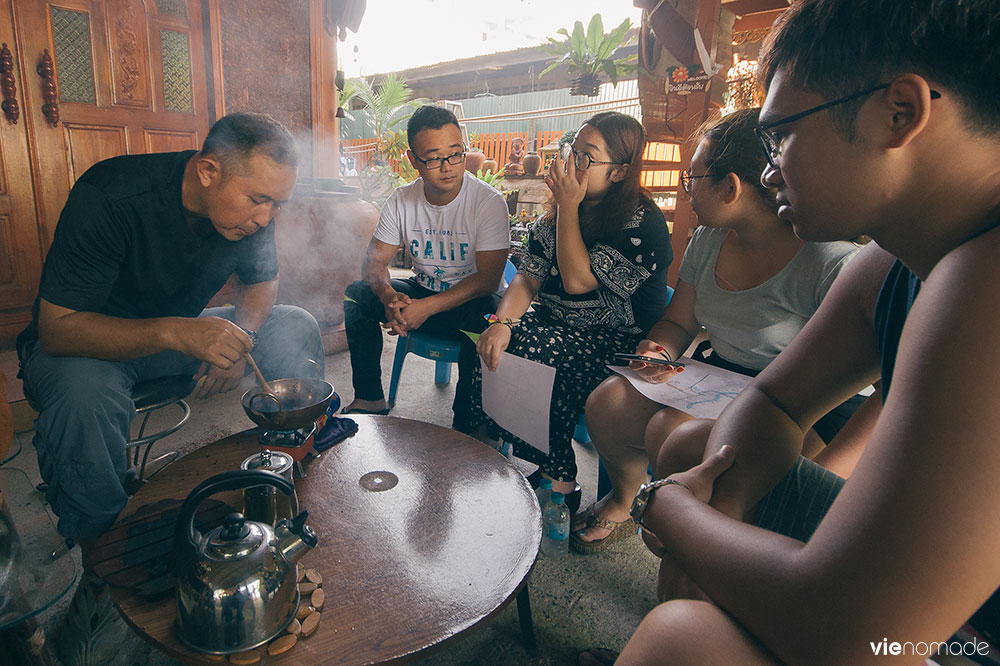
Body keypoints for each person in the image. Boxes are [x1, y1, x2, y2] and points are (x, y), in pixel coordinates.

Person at [605, 1, 1000, 663]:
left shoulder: (984, 284)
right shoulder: (896, 260)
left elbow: (854, 636)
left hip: (970, 637)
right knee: (697, 451)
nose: (769, 170)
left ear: (898, 113)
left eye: (780, 135)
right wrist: (719, 497)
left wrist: (666, 509)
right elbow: (775, 401)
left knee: (680, 643)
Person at [15, 112, 324, 664]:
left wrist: (244, 337)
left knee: (296, 324)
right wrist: (180, 331)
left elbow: (263, 283)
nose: (265, 217)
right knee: (85, 399)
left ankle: (287, 481)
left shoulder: (253, 212)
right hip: (87, 346)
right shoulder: (111, 194)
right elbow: (57, 328)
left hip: (176, 337)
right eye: (257, 200)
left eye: (277, 204)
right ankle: (104, 567)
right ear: (208, 170)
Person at [574, 109, 865, 551]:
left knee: (668, 431)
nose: (684, 191)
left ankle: (685, 536)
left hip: (804, 404)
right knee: (607, 403)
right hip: (721, 374)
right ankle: (626, 499)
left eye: (693, 180)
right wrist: (658, 348)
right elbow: (678, 320)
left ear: (730, 187)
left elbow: (882, 387)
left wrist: (828, 475)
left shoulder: (830, 262)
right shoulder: (708, 240)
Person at [472, 111, 673, 508]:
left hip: (620, 341)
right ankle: (506, 448)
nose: (571, 164)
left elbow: (578, 281)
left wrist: (568, 208)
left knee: (541, 353)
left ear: (618, 172)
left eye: (586, 157)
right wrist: (502, 322)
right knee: (492, 337)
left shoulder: (641, 223)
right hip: (557, 325)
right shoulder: (554, 217)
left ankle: (558, 479)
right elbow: (528, 277)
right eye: (573, 151)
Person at [342, 105, 510, 431]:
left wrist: (426, 308)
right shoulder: (402, 200)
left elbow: (488, 279)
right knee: (357, 296)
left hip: (468, 305)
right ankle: (369, 398)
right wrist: (389, 296)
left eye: (456, 154)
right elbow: (374, 264)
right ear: (413, 160)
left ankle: (469, 423)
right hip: (421, 293)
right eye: (433, 158)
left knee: (489, 317)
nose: (447, 167)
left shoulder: (488, 202)